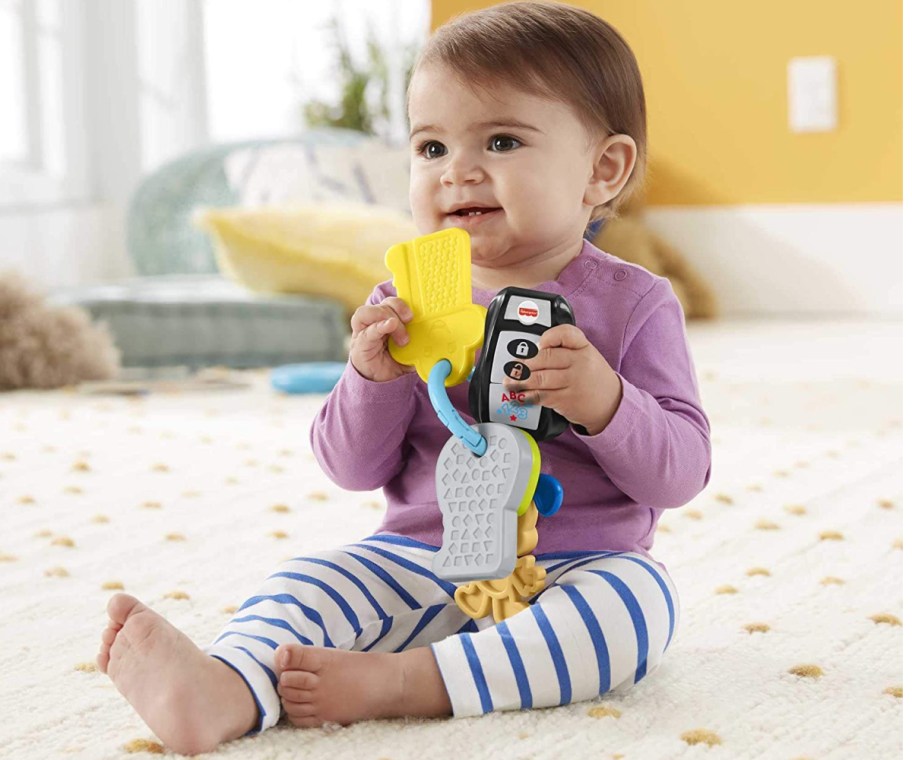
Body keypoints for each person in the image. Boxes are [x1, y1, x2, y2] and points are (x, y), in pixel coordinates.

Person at [96, 2, 711, 754]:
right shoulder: (407, 303)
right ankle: (226, 688)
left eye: (503, 140)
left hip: (575, 565)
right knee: (313, 579)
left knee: (636, 609)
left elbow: (680, 473)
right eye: (430, 147)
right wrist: (371, 375)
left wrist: (605, 401)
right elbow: (350, 467)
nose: (457, 171)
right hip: (419, 557)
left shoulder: (635, 303)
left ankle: (408, 682)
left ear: (602, 169)